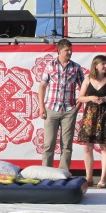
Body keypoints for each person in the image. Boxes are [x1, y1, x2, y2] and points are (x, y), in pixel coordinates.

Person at [38, 39, 85, 170]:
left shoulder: (76, 67)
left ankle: (63, 172)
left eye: (71, 50)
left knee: (67, 144)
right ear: (59, 51)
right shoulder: (50, 66)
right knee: (48, 144)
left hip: (69, 110)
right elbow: (42, 87)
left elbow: (84, 87)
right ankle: (46, 172)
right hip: (51, 108)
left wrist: (77, 107)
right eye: (67, 50)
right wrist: (42, 107)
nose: (70, 52)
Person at [76, 55, 106, 187]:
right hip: (90, 115)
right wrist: (91, 98)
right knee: (87, 146)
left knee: (105, 146)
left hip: (105, 114)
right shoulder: (88, 79)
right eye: (102, 64)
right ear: (96, 65)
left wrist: (105, 99)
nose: (105, 66)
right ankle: (89, 177)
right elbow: (80, 97)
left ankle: (103, 178)